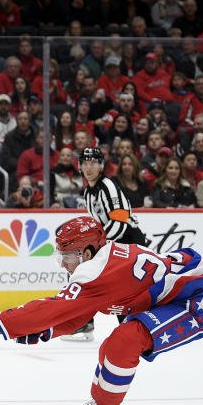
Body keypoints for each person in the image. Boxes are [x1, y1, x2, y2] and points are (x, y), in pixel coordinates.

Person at [0, 216, 203, 405]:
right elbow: (76, 312)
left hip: (198, 299)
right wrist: (44, 331)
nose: (64, 264)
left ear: (87, 252)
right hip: (175, 294)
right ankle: (100, 402)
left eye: (67, 256)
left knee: (124, 341)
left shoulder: (98, 271)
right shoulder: (101, 263)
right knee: (111, 346)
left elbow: (54, 308)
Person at [70, 146, 149, 341]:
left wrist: (104, 245)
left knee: (123, 286)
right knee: (90, 276)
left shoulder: (108, 186)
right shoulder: (89, 191)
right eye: (85, 164)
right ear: (80, 167)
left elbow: (121, 219)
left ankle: (130, 327)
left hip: (128, 239)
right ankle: (87, 324)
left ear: (101, 166)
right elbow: (101, 223)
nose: (89, 168)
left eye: (93, 164)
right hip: (116, 240)